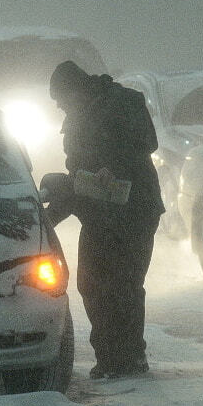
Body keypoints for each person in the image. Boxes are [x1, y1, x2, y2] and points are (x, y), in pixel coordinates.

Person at [44, 60, 164, 379]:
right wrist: (48, 217)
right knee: (92, 284)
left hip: (134, 211)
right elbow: (78, 178)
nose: (59, 107)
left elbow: (144, 146)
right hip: (100, 213)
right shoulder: (76, 119)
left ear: (75, 90)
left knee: (124, 285)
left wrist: (107, 165)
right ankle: (110, 357)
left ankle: (130, 357)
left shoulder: (121, 103)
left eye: (60, 99)